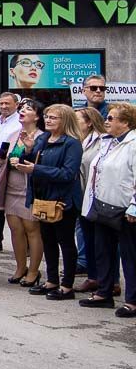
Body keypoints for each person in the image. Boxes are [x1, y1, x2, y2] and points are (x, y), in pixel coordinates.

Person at [17, 104, 83, 300]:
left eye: (53, 117)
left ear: (65, 121)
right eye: (47, 116)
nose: (48, 120)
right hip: (42, 198)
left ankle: (67, 285)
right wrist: (28, 149)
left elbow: (67, 174)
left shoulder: (72, 144)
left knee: (66, 242)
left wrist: (36, 169)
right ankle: (52, 279)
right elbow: (30, 162)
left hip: (63, 201)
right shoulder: (44, 138)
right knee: (49, 241)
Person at [79, 103, 136, 314]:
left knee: (130, 255)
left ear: (126, 123)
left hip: (124, 207)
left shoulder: (133, 144)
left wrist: (134, 207)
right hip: (103, 204)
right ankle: (104, 292)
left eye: (112, 118)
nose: (107, 121)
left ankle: (132, 300)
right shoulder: (107, 142)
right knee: (103, 250)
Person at [0, 99, 44, 287]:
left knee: (32, 229)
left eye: (28, 109)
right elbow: (8, 158)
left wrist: (29, 149)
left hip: (29, 188)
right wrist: (3, 160)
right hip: (12, 187)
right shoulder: (13, 135)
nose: (23, 111)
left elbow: (41, 162)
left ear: (37, 116)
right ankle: (20, 267)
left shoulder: (42, 137)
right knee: (15, 229)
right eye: (22, 108)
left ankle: (34, 271)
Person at [73, 106, 107, 294]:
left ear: (89, 123)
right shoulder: (76, 140)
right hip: (81, 197)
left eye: (77, 120)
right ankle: (93, 277)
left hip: (97, 198)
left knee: (102, 242)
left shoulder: (101, 142)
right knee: (88, 239)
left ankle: (110, 281)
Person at [0, 92, 22, 253]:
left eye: (7, 103)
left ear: (16, 105)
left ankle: (23, 242)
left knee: (12, 206)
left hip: (10, 168)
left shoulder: (19, 123)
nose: (4, 106)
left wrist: (6, 158)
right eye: (1, 103)